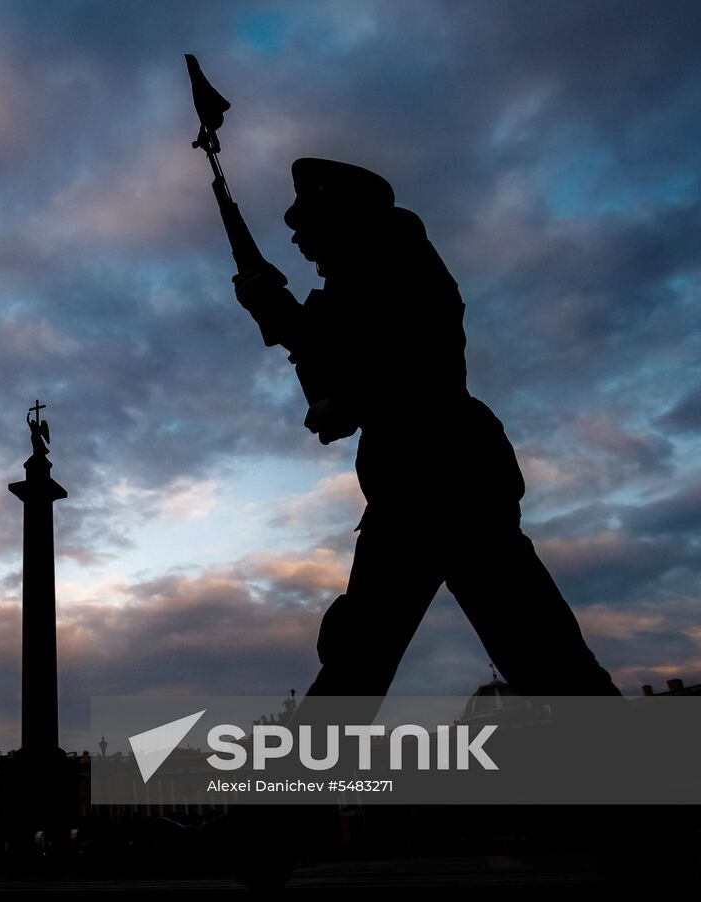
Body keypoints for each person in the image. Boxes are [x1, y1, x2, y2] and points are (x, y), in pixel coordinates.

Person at [233, 158, 619, 710]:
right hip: (422, 474)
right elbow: (340, 388)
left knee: (366, 663)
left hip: (439, 471)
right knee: (535, 657)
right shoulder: (354, 276)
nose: (297, 238)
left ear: (337, 211)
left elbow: (391, 357)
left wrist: (292, 325)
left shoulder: (389, 240)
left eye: (305, 222)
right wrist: (280, 313)